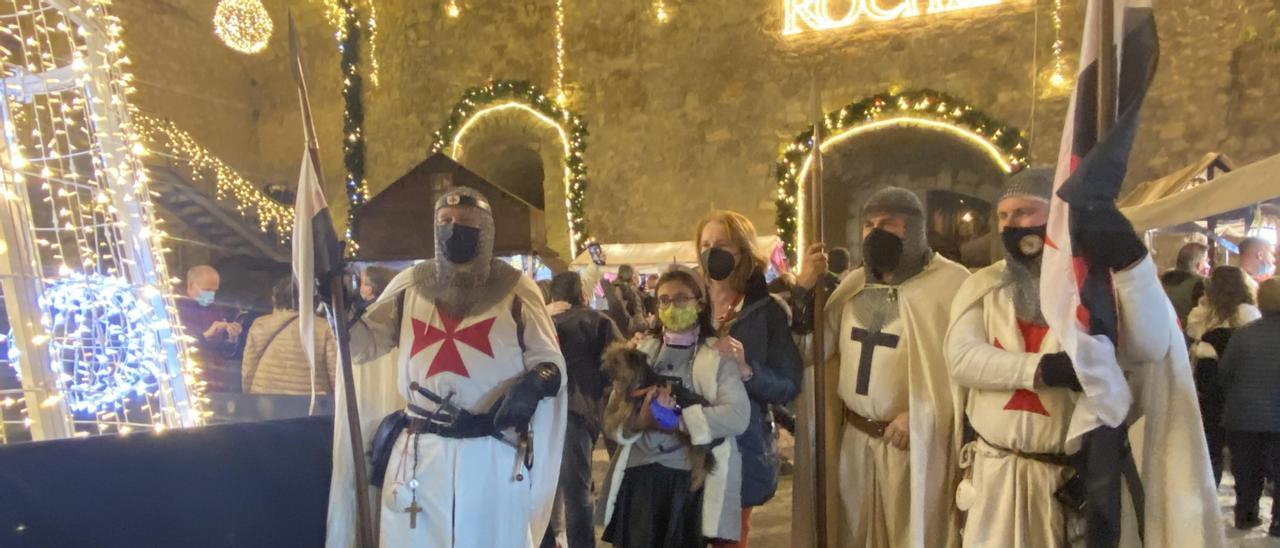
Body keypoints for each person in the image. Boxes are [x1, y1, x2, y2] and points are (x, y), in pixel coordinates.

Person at [327, 186, 567, 547]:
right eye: (446, 220)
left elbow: (550, 361)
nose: (455, 228)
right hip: (420, 452)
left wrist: (536, 384)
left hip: (491, 450)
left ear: (486, 229)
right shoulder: (410, 285)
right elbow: (361, 346)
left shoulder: (516, 291)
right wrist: (340, 311)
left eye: (467, 222)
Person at [797, 187, 968, 547]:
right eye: (869, 224)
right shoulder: (854, 284)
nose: (876, 233)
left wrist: (919, 414)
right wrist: (804, 292)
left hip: (914, 445)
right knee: (854, 536)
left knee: (909, 536)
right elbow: (813, 352)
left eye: (889, 224)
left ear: (915, 229)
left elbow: (963, 374)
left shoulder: (952, 285)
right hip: (855, 442)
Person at [944, 168, 1089, 546]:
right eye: (1004, 215)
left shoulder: (1087, 288)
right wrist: (1043, 370)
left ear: (1056, 215)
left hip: (1061, 478)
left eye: (1024, 212)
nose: (1012, 224)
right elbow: (962, 358)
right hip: (995, 472)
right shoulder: (984, 285)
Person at [598, 267, 750, 547]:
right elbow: (613, 418)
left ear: (699, 304)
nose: (671, 306)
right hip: (639, 480)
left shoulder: (716, 354)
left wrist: (678, 421)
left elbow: (738, 416)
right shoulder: (640, 351)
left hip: (686, 483)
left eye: (681, 299)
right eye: (664, 300)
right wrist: (641, 422)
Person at [696, 210, 803, 546]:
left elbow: (788, 385)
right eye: (706, 244)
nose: (712, 252)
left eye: (722, 245)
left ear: (742, 253)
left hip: (738, 449)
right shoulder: (688, 304)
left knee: (728, 538)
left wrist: (747, 369)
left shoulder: (767, 311)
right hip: (685, 446)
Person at [540, 271, 622, 548]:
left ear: (553, 296)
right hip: (582, 409)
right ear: (583, 295)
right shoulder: (598, 321)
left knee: (547, 486)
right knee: (578, 490)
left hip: (544, 412)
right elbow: (620, 365)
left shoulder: (542, 322)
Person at [1186, 265, 1260, 486]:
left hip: (1209, 381)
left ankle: (1211, 486)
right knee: (1242, 444)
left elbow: (1192, 335)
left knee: (1212, 440)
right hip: (1241, 383)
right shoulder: (1249, 314)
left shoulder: (1201, 314)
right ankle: (1245, 496)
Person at [1220, 278, 1280, 534]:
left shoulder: (1243, 334)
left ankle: (1246, 514)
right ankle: (1278, 523)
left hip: (1242, 415)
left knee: (1246, 471)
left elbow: (1225, 373)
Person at [241, 277, 337, 395]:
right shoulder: (323, 328)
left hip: (265, 400)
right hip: (311, 404)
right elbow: (334, 372)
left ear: (275, 299)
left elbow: (249, 368)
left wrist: (248, 393)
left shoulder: (260, 325)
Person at [175, 264, 242, 392]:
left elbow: (224, 352)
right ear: (190, 285)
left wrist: (231, 339)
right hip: (187, 384)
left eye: (214, 291)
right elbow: (175, 347)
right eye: (206, 290)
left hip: (216, 384)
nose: (211, 295)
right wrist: (205, 336)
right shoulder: (175, 309)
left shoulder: (215, 309)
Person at [1160, 242, 1208, 328]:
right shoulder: (1200, 284)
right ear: (1199, 265)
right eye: (1206, 261)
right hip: (1185, 336)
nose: (1207, 265)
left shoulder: (1162, 280)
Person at [605, 264, 646, 338]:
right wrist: (648, 324)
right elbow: (638, 320)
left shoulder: (611, 288)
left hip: (613, 333)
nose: (638, 277)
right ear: (632, 275)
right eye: (637, 274)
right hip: (630, 335)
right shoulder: (629, 292)